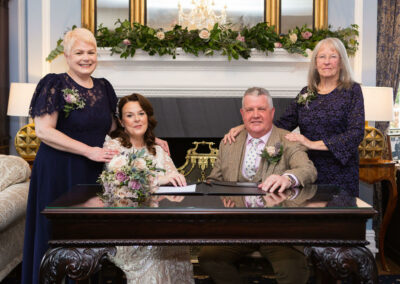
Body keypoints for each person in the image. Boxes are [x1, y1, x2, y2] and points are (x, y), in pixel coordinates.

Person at [21, 28, 170, 283]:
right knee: (58, 233)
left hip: (93, 170)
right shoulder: (54, 83)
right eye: (79, 52)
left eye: (91, 52)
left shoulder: (103, 87)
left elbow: (115, 126)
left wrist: (150, 138)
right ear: (66, 56)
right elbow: (44, 131)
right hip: (59, 169)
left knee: (88, 236)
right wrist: (89, 151)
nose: (86, 57)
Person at [198, 87, 317, 284]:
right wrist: (221, 200)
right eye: (250, 110)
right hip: (236, 230)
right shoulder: (229, 142)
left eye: (261, 109)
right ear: (242, 114)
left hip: (279, 232)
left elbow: (308, 169)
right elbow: (213, 181)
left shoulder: (288, 140)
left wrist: (287, 178)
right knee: (209, 258)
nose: (255, 115)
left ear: (271, 113)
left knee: (293, 272)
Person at [224, 37, 365, 196]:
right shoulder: (307, 92)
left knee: (337, 219)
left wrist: (311, 144)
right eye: (322, 57)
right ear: (315, 62)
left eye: (333, 56)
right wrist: (247, 126)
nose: (327, 62)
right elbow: (282, 123)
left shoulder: (352, 91)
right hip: (307, 169)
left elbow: (356, 133)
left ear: (341, 62)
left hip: (340, 171)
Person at [104, 93, 194, 284]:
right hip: (128, 227)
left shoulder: (158, 149)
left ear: (148, 117)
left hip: (160, 223)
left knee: (176, 244)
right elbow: (122, 182)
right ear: (121, 121)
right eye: (130, 115)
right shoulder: (114, 147)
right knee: (158, 247)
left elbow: (174, 180)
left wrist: (178, 180)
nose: (137, 119)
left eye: (141, 113)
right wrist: (160, 179)